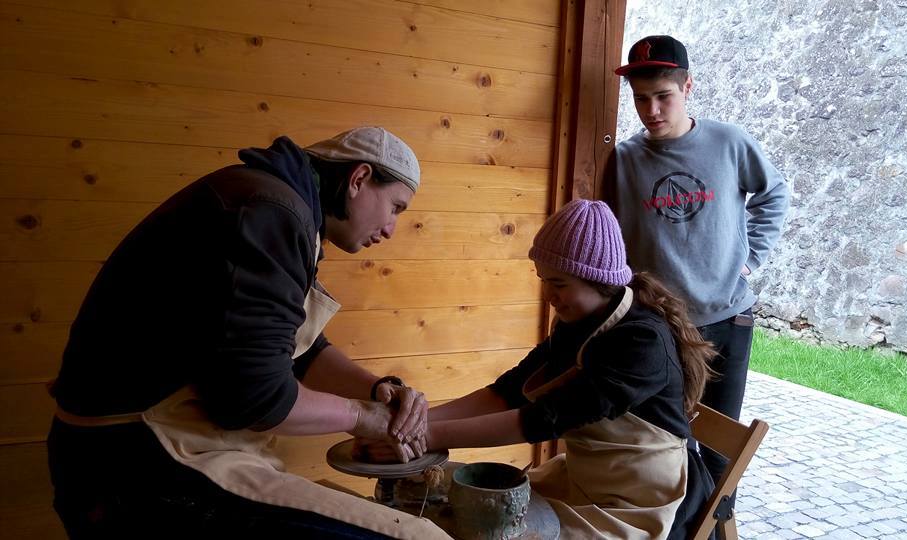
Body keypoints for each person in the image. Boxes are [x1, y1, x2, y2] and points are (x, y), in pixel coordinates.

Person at [47, 127, 451, 539]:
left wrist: (376, 390)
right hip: (135, 463)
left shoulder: (279, 204)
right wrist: (363, 418)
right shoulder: (269, 210)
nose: (390, 229)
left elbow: (301, 353)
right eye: (396, 207)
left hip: (130, 451)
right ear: (359, 179)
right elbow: (254, 399)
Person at [365, 199, 717, 539]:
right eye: (543, 279)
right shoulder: (576, 321)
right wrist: (415, 421)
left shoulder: (641, 342)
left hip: (641, 501)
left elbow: (543, 419)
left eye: (559, 283)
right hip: (585, 480)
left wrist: (427, 438)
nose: (548, 293)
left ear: (598, 280)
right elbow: (507, 392)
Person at [604, 35, 789, 495]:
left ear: (688, 87)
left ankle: (715, 521)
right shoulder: (624, 160)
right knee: (665, 443)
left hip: (727, 316)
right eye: (641, 99)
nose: (652, 111)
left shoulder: (729, 142)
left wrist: (751, 259)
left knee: (719, 448)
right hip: (659, 325)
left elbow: (774, 194)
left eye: (663, 96)